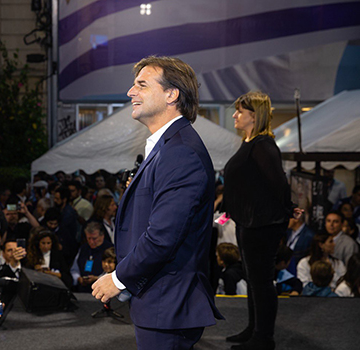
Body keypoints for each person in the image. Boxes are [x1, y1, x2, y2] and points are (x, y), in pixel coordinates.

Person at [92, 56, 222, 349]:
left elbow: (163, 237)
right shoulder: (170, 147)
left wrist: (117, 279)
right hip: (162, 302)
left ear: (171, 94)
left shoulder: (180, 152)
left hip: (168, 304)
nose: (130, 92)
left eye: (141, 84)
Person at [222, 91, 301, 350]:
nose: (234, 115)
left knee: (261, 281)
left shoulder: (263, 145)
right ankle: (254, 330)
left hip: (262, 225)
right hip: (251, 222)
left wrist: (289, 209)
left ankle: (263, 338)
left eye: (239, 111)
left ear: (254, 116)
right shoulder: (251, 143)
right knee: (255, 278)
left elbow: (279, 183)